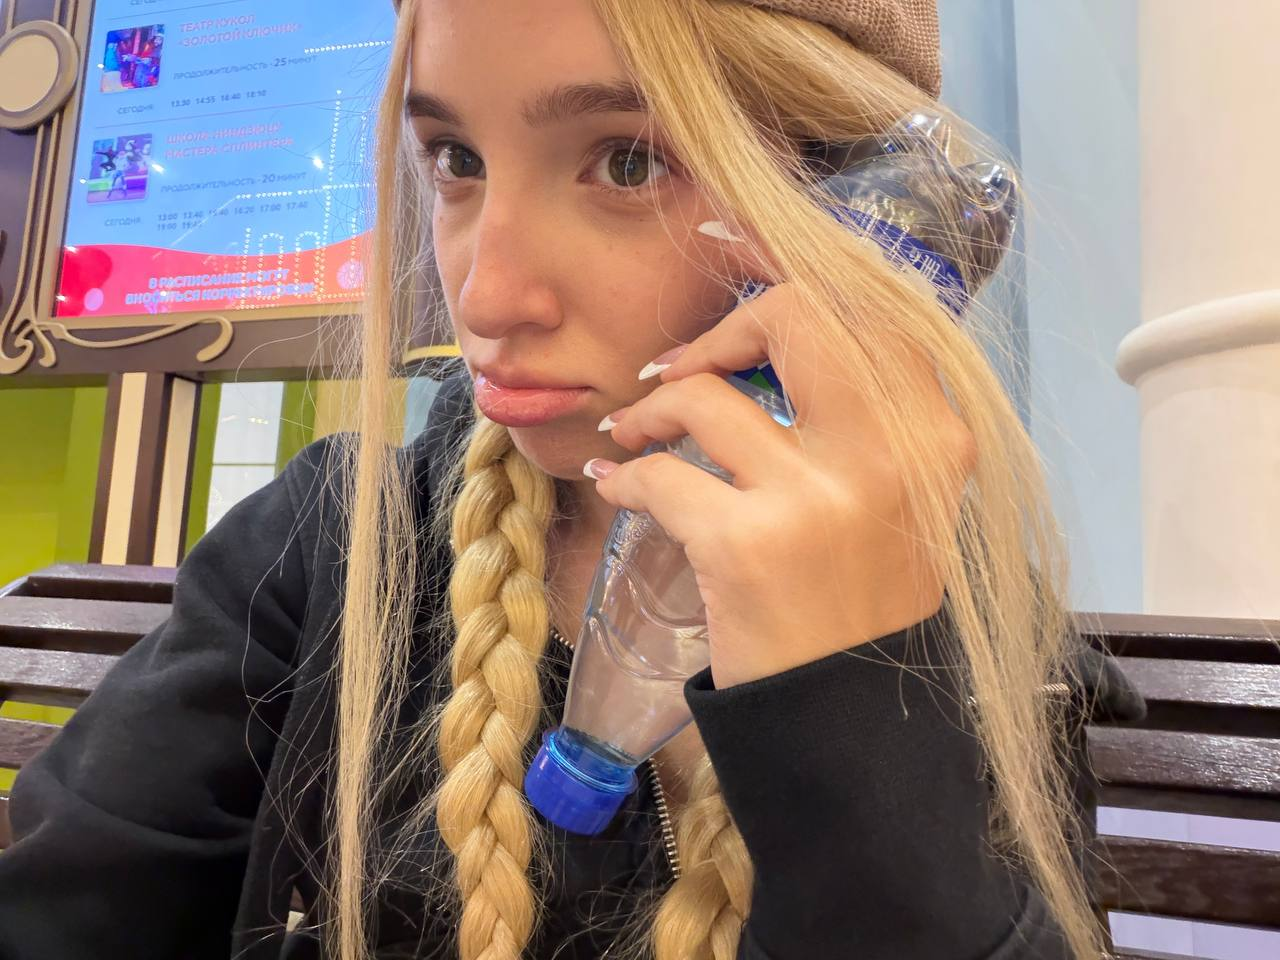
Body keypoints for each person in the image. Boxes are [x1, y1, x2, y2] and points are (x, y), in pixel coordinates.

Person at [0, 1, 1147, 958]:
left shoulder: (973, 637)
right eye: (455, 160)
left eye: (626, 161)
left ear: (843, 207)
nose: (484, 296)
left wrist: (848, 701)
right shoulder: (326, 548)